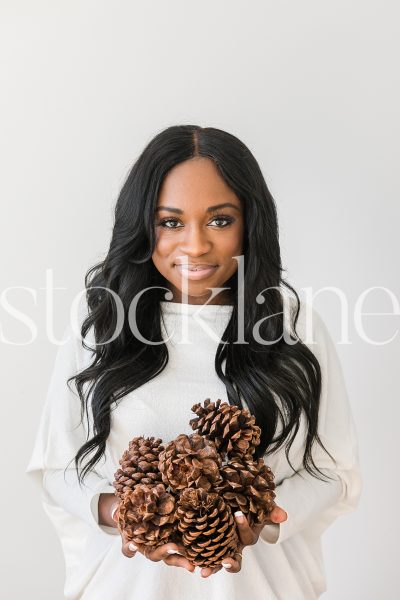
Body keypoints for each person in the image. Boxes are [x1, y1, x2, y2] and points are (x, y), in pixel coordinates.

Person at [26, 125, 362, 600]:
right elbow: (56, 466)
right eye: (170, 222)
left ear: (250, 222)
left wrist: (262, 515)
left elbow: (334, 471)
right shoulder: (101, 320)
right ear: (142, 227)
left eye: (220, 220)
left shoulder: (294, 324)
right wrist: (124, 511)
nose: (196, 245)